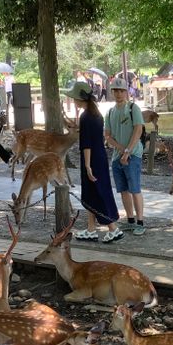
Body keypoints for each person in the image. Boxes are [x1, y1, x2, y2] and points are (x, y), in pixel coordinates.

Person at [66, 82, 122, 243]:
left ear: (80, 99)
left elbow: (86, 144)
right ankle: (91, 229)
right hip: (101, 157)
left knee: (97, 193)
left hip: (92, 159)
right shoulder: (96, 114)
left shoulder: (85, 117)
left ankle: (113, 228)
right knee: (93, 193)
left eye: (75, 98)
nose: (73, 101)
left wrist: (87, 166)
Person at [105, 77, 146, 236]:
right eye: (115, 90)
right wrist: (122, 151)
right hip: (117, 156)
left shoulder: (133, 108)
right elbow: (107, 136)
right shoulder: (109, 112)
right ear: (112, 92)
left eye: (121, 90)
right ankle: (130, 220)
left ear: (126, 92)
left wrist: (128, 151)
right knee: (123, 190)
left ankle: (140, 221)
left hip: (133, 155)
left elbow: (138, 130)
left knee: (135, 188)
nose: (118, 93)